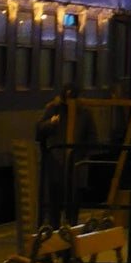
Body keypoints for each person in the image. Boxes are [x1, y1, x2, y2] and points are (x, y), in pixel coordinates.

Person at [35, 84, 96, 225]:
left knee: (70, 198)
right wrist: (51, 124)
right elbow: (39, 131)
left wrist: (80, 154)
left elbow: (92, 138)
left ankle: (68, 225)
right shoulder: (54, 109)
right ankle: (57, 226)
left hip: (72, 162)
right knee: (56, 197)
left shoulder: (84, 112)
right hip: (58, 161)